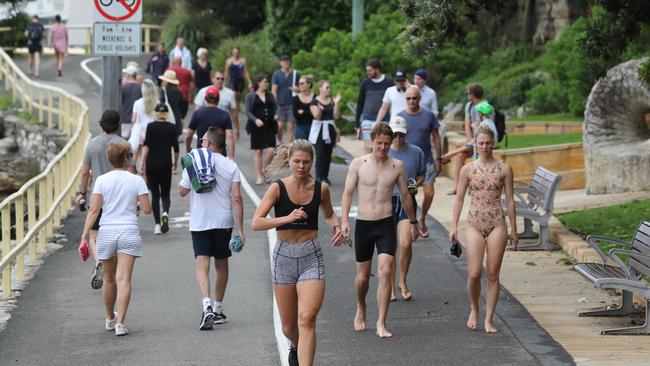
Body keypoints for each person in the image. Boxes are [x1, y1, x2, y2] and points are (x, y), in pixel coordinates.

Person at [252, 140, 344, 366]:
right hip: (283, 256)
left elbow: (330, 214)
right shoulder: (277, 188)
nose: (301, 166)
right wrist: (288, 218)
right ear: (289, 161)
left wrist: (336, 226)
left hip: (311, 256)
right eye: (297, 162)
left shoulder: (321, 189)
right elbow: (256, 222)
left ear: (312, 162)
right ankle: (296, 346)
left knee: (307, 319)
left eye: (306, 162)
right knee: (289, 327)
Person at [341, 123, 419, 338]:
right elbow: (347, 193)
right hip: (364, 224)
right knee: (363, 277)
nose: (384, 148)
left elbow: (405, 195)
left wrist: (413, 221)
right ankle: (361, 306)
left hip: (386, 223)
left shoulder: (397, 166)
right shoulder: (358, 164)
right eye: (379, 143)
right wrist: (345, 221)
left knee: (385, 271)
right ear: (372, 140)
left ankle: (381, 322)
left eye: (387, 143)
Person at [449, 124, 518, 333]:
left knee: (493, 274)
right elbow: (459, 199)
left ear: (493, 144)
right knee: (474, 273)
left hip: (497, 221)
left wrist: (514, 230)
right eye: (481, 143)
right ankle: (475, 306)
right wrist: (453, 226)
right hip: (474, 222)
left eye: (488, 143)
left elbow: (511, 200)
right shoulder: (467, 169)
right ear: (475, 145)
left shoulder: (504, 168)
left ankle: (489, 318)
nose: (485, 146)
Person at [80, 143, 152, 336]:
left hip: (107, 232)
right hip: (128, 231)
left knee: (109, 279)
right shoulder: (136, 180)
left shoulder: (101, 180)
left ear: (109, 160)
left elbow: (94, 210)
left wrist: (84, 236)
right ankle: (121, 323)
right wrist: (135, 202)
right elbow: (147, 209)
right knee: (124, 279)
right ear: (127, 159)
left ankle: (109, 318)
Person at [179, 127, 244, 330]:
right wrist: (240, 229)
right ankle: (217, 309)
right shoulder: (231, 166)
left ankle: (206, 305)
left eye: (202, 140)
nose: (200, 143)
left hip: (200, 221)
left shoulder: (194, 161)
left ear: (208, 144)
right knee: (221, 265)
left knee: (202, 263)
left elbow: (182, 191)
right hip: (223, 221)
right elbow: (236, 198)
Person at [75, 110, 127, 290]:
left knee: (94, 235)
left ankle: (99, 261)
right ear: (118, 124)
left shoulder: (92, 145)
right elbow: (132, 170)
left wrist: (81, 192)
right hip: (120, 196)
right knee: (119, 233)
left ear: (101, 124)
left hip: (98, 195)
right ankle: (117, 269)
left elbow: (84, 172)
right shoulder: (124, 144)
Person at [387, 116, 425, 301]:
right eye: (394, 134)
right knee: (390, 247)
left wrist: (416, 185)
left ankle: (402, 281)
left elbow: (422, 174)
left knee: (405, 243)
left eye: (401, 135)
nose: (397, 138)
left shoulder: (416, 152)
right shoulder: (383, 152)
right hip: (386, 202)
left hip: (406, 201)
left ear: (406, 134)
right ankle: (391, 285)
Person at [398, 87, 442, 238]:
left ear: (420, 99)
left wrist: (439, 158)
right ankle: (413, 222)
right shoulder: (400, 117)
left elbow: (436, 136)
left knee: (429, 193)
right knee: (410, 192)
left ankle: (422, 217)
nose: (411, 101)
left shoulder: (429, 116)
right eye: (408, 98)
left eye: (414, 98)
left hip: (427, 160)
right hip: (408, 162)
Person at [443, 83, 493, 195]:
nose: (467, 94)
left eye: (468, 93)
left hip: (484, 140)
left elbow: (487, 128)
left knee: (461, 152)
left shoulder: (486, 106)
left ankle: (448, 155)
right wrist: (470, 139)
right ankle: (456, 187)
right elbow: (467, 124)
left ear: (472, 94)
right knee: (461, 155)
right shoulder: (469, 106)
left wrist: (474, 140)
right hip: (474, 140)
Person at [141, 103, 179, 234]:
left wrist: (142, 164)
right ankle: (165, 213)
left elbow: (146, 147)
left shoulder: (150, 127)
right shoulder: (172, 127)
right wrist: (175, 163)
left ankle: (157, 224)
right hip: (165, 163)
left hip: (152, 164)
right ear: (167, 114)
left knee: (155, 195)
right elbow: (176, 148)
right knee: (165, 193)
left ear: (156, 113)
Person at [354, 58, 394, 151]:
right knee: (369, 149)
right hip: (367, 120)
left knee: (382, 149)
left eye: (370, 70)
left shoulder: (389, 82)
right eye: (367, 70)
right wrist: (357, 124)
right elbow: (360, 103)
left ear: (377, 69)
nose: (368, 72)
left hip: (385, 121)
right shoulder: (365, 83)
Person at [186, 86, 235, 159]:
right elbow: (230, 136)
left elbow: (189, 135)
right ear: (218, 99)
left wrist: (188, 148)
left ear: (205, 98)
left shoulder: (197, 113)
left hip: (202, 154)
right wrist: (231, 157)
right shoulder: (225, 115)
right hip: (220, 154)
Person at [245, 74, 277, 185]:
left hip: (270, 125)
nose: (267, 83)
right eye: (265, 81)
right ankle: (259, 176)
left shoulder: (270, 95)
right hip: (256, 126)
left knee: (272, 149)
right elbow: (248, 111)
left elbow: (275, 107)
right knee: (258, 151)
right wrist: (255, 120)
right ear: (258, 83)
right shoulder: (251, 96)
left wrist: (276, 115)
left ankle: (265, 169)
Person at [309, 80, 341, 185]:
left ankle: (325, 176)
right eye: (327, 87)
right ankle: (319, 176)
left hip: (330, 129)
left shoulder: (331, 100)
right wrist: (320, 109)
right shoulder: (314, 101)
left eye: (329, 87)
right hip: (319, 129)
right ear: (320, 88)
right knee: (320, 153)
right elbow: (316, 116)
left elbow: (336, 116)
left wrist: (336, 103)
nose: (329, 89)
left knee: (328, 153)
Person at [194, 70, 238, 139]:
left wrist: (236, 128)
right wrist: (196, 126)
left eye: (222, 79)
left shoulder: (230, 93)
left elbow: (234, 113)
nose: (220, 80)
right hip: (206, 127)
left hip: (222, 128)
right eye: (218, 78)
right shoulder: (203, 91)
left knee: (221, 148)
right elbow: (197, 110)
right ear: (212, 79)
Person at [271, 54, 300, 143]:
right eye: (284, 61)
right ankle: (280, 142)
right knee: (280, 125)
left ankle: (289, 146)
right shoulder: (276, 74)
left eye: (287, 61)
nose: (286, 62)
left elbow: (301, 89)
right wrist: (274, 105)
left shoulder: (295, 74)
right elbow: (274, 90)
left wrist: (297, 89)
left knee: (291, 126)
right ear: (280, 63)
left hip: (292, 104)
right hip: (280, 104)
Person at [130, 79, 158, 167]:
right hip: (153, 131)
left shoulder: (137, 103)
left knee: (138, 150)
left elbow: (133, 120)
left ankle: (141, 165)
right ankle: (146, 166)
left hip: (140, 131)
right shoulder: (157, 103)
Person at [224, 47, 252, 125]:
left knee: (238, 99)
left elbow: (245, 72)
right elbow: (226, 72)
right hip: (232, 80)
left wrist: (249, 81)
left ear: (239, 53)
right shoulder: (229, 61)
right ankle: (233, 114)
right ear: (232, 53)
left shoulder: (242, 61)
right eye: (234, 52)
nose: (236, 54)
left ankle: (235, 114)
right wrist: (224, 82)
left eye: (237, 52)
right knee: (233, 96)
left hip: (240, 80)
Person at [168, 57, 194, 123]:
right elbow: (191, 85)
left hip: (171, 96)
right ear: (181, 62)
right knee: (182, 115)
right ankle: (180, 125)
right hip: (184, 95)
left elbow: (164, 84)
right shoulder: (187, 72)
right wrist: (190, 96)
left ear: (174, 62)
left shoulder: (169, 71)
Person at [120, 64, 142, 139]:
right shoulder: (140, 87)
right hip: (137, 119)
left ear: (128, 75)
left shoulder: (123, 87)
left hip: (125, 118)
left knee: (124, 140)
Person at [158, 70, 183, 135]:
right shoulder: (179, 92)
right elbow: (183, 106)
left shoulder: (164, 91)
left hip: (166, 117)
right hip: (176, 117)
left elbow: (160, 104)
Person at [292, 75, 314, 141]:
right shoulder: (296, 99)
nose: (299, 85)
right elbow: (296, 114)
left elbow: (316, 115)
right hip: (300, 127)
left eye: (302, 83)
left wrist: (303, 112)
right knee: (301, 149)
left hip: (314, 127)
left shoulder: (315, 97)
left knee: (314, 149)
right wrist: (309, 111)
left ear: (309, 84)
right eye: (299, 84)